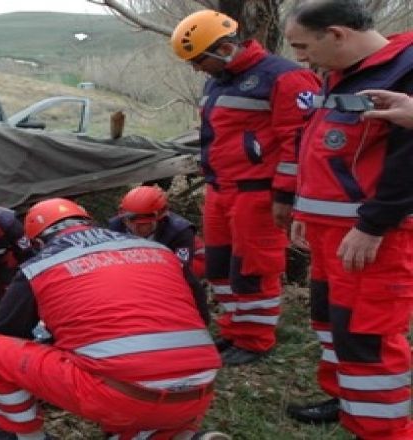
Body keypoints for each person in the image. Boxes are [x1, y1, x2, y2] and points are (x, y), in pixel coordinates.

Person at [0, 198, 222, 440]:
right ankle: (178, 433)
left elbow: (8, 332)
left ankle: (27, 437)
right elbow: (201, 314)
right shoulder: (158, 250)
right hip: (199, 392)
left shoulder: (40, 266)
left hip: (124, 397)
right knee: (142, 409)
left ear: (38, 241)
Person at [283, 2, 413, 437]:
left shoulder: (403, 70)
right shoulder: (344, 72)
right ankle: (346, 400)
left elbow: (407, 161)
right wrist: (304, 208)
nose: (301, 58)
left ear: (336, 34)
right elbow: (320, 144)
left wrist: (374, 225)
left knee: (366, 336)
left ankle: (382, 429)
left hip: (371, 235)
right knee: (330, 321)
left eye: (304, 46)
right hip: (328, 232)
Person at [170, 10, 321, 365]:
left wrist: (285, 195)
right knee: (220, 265)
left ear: (223, 48)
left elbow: (299, 143)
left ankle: (256, 340)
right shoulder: (217, 80)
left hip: (258, 193)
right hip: (221, 189)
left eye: (198, 60)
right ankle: (233, 330)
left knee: (254, 267)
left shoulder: (286, 77)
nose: (196, 69)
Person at [107, 185, 205, 278]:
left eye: (145, 224)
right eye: (132, 221)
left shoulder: (180, 232)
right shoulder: (115, 227)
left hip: (195, 259)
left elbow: (181, 270)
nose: (139, 229)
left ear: (160, 218)